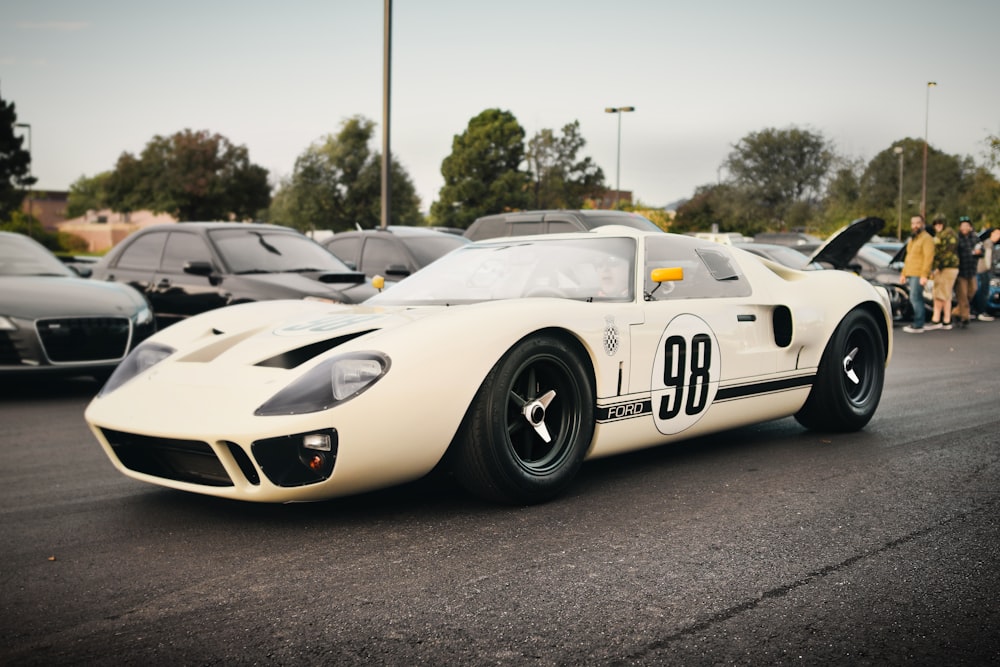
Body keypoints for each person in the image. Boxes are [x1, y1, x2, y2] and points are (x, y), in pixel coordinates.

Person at [900, 215, 935, 333]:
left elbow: (928, 258)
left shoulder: (927, 238)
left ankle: (919, 324)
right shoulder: (912, 239)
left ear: (923, 224)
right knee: (913, 297)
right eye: (913, 223)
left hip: (919, 274)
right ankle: (917, 322)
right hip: (911, 272)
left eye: (917, 223)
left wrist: (924, 275)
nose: (915, 225)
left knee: (915, 297)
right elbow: (908, 258)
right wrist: (903, 274)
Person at [925, 217, 958, 330]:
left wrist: (938, 267)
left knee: (942, 294)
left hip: (947, 268)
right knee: (942, 294)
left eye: (940, 224)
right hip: (946, 268)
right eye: (936, 224)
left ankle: (942, 319)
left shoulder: (947, 235)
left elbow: (947, 253)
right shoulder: (943, 235)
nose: (938, 226)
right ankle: (941, 318)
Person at [953, 216, 980, 328]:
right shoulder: (957, 238)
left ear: (970, 227)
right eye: (962, 226)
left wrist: (979, 252)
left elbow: (981, 249)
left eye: (966, 226)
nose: (964, 228)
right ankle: (965, 317)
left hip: (972, 270)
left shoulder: (975, 238)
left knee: (973, 290)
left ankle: (955, 311)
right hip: (961, 271)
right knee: (962, 295)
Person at [972, 225, 998, 321]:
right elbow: (988, 258)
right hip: (983, 270)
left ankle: (976, 311)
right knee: (983, 292)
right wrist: (989, 269)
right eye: (997, 233)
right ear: (992, 234)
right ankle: (981, 312)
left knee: (979, 291)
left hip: (980, 270)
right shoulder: (988, 243)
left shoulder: (986, 243)